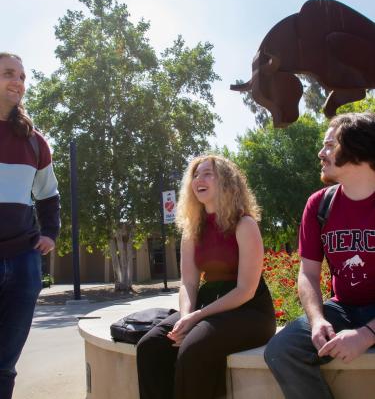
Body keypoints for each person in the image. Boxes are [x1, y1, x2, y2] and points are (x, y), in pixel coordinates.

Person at [137, 155, 276, 399]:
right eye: (195, 175)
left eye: (208, 174)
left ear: (226, 182)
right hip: (207, 305)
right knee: (151, 346)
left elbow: (246, 290)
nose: (198, 179)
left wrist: (196, 318)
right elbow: (189, 282)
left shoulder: (244, 224)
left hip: (249, 312)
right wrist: (187, 315)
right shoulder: (192, 229)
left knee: (194, 348)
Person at [264, 112, 375, 399]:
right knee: (282, 350)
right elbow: (308, 273)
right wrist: (316, 320)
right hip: (344, 309)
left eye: (329, 145)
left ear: (357, 149)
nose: (320, 153)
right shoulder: (319, 205)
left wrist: (367, 335)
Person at [0, 52, 60, 399]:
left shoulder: (35, 142)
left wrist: (50, 232)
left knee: (5, 362)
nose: (18, 83)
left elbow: (48, 194)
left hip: (23, 262)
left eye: (22, 77)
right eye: (9, 74)